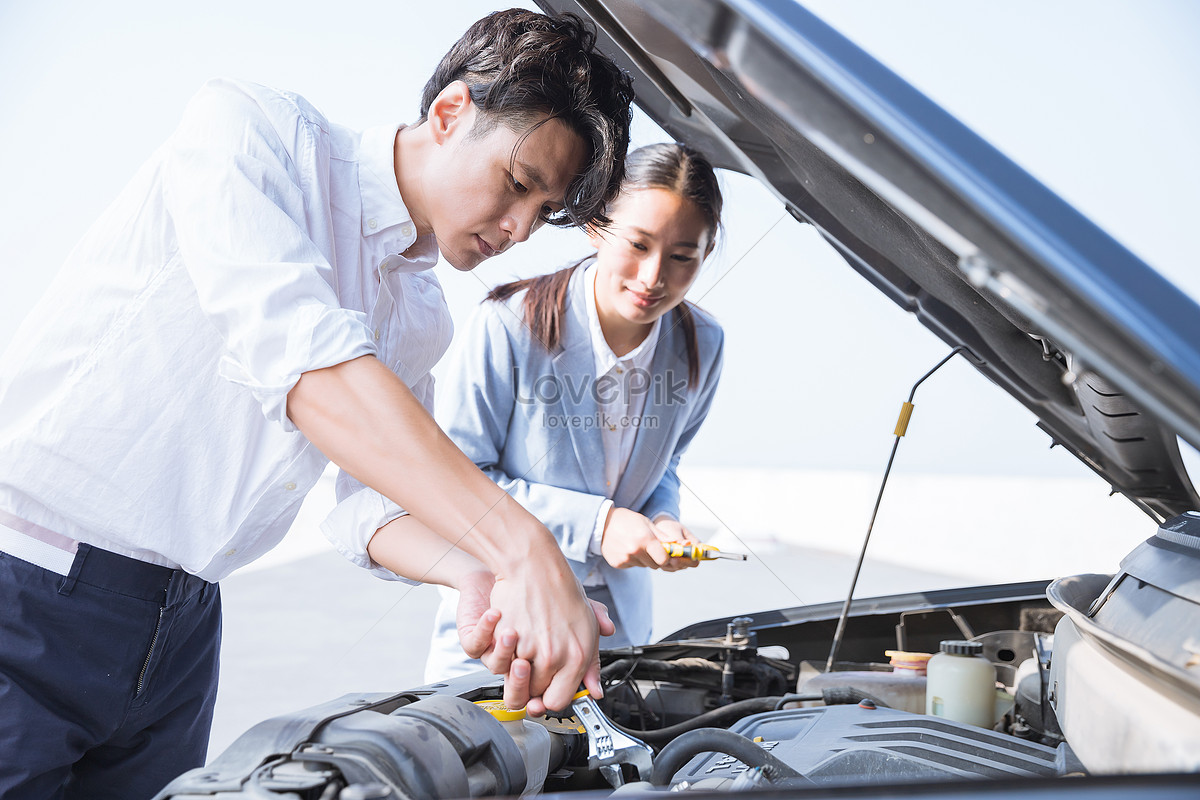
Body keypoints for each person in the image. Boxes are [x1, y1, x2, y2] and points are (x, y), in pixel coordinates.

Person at [0, 9, 633, 799]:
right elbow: (305, 366)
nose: (517, 228)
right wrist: (524, 549)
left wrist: (475, 574)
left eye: (543, 214)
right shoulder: (252, 132)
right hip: (28, 589)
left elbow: (367, 507)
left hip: (185, 631)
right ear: (449, 113)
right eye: (517, 184)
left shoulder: (420, 311)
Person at [384, 142, 726, 678]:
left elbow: (667, 464)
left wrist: (662, 519)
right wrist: (600, 525)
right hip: (503, 627)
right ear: (596, 227)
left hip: (620, 639)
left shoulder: (704, 342)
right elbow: (460, 480)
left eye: (684, 256)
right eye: (637, 244)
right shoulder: (507, 323)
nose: (654, 275)